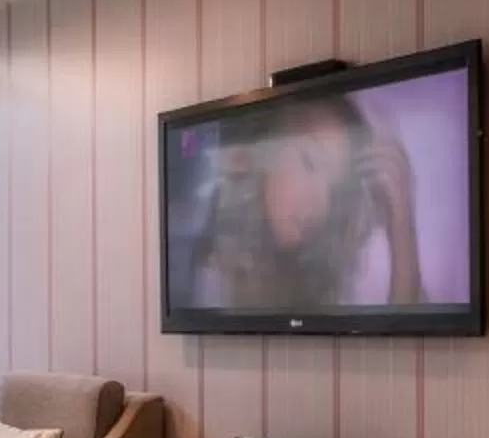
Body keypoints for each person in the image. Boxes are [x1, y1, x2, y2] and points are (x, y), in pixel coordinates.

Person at [178, 91, 421, 312]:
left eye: (334, 191)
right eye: (310, 162)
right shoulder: (207, 268)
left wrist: (401, 228)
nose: (320, 205)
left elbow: (404, 338)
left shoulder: (318, 278)